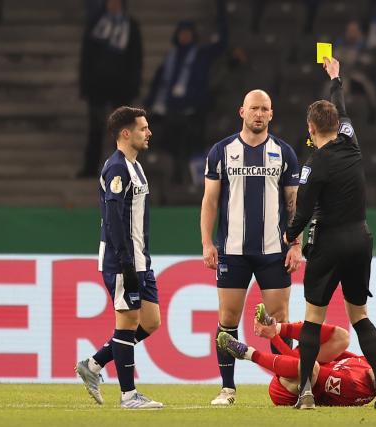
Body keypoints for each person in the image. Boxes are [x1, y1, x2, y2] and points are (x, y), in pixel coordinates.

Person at [284, 57, 376, 410]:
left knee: (314, 318)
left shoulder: (313, 166)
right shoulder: (351, 140)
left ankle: (303, 392)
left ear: (311, 128)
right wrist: (336, 79)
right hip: (361, 240)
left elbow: (302, 212)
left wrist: (290, 236)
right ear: (337, 124)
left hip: (329, 243)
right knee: (359, 315)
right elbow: (342, 109)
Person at [200, 88, 301, 406]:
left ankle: (285, 384)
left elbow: (293, 204)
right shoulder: (221, 151)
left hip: (274, 251)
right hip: (232, 250)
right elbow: (210, 201)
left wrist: (295, 245)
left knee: (279, 318)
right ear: (241, 111)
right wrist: (207, 242)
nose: (259, 113)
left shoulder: (284, 153)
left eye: (265, 109)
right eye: (254, 108)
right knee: (228, 317)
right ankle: (227, 388)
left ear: (272, 114)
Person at [75, 106, 163, 409]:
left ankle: (94, 364)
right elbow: (113, 218)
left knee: (151, 322)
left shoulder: (135, 166)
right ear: (125, 133)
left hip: (141, 259)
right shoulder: (117, 168)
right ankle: (128, 396)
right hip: (122, 260)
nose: (148, 133)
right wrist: (126, 262)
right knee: (126, 324)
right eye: (143, 128)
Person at [217, 304, 376, 407]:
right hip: (300, 366)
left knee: (311, 369)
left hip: (288, 390)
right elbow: (330, 352)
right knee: (342, 337)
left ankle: (246, 353)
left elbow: (305, 368)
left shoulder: (354, 386)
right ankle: (278, 326)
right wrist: (277, 334)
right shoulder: (369, 364)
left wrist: (275, 341)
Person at [145, 0, 227, 184]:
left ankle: (188, 184)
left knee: (190, 145)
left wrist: (221, 11)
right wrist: (150, 103)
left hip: (192, 113)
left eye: (188, 33)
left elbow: (222, 44)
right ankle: (173, 180)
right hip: (170, 113)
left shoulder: (201, 56)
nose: (184, 37)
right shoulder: (170, 58)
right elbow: (159, 82)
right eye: (182, 33)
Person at [77, 0, 142, 178]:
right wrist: (85, 84)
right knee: (96, 128)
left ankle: (121, 170)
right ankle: (90, 168)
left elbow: (136, 59)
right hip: (97, 87)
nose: (113, 5)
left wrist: (133, 86)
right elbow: (87, 57)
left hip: (121, 87)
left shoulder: (131, 27)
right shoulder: (96, 25)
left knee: (122, 131)